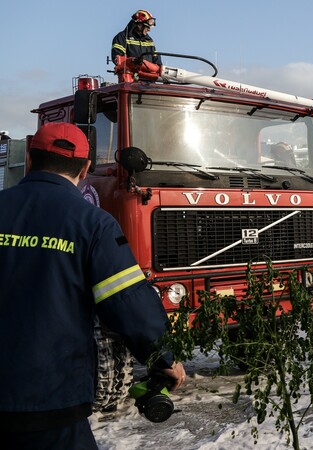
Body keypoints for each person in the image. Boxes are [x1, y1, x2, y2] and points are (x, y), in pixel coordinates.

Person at [0, 122, 185, 449]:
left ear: (29, 159)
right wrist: (163, 358)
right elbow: (128, 303)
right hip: (51, 400)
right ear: (86, 170)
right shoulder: (93, 224)